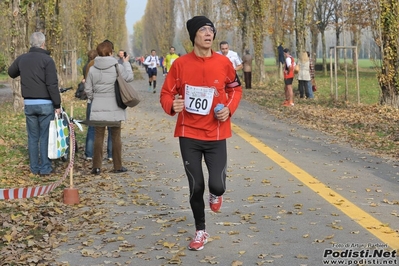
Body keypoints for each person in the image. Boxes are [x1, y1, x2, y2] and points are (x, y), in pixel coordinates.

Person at [160, 16, 242, 251]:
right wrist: (171, 105)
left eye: (211, 30)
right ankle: (200, 231)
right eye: (203, 30)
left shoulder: (223, 63)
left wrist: (228, 109)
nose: (209, 34)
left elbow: (235, 90)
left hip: (216, 134)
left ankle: (216, 195)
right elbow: (166, 93)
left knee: (217, 185)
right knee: (196, 186)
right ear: (194, 35)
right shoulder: (180, 64)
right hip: (189, 134)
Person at [8, 32, 61, 176]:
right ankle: (45, 168)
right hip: (45, 104)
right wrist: (57, 105)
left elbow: (11, 73)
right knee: (44, 136)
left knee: (32, 137)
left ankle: (34, 167)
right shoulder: (47, 60)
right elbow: (52, 84)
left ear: (31, 44)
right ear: (43, 44)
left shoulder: (22, 59)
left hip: (29, 104)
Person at [84, 40, 133, 175]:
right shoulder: (117, 67)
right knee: (116, 137)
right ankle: (117, 166)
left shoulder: (93, 68)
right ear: (111, 52)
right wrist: (127, 63)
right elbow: (129, 78)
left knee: (98, 137)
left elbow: (87, 88)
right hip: (115, 107)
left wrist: (94, 97)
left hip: (98, 106)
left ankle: (97, 167)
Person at [83, 48, 113, 162]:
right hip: (109, 101)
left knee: (92, 128)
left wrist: (91, 97)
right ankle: (110, 155)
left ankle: (90, 154)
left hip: (94, 100)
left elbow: (87, 85)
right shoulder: (111, 66)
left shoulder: (91, 65)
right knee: (111, 128)